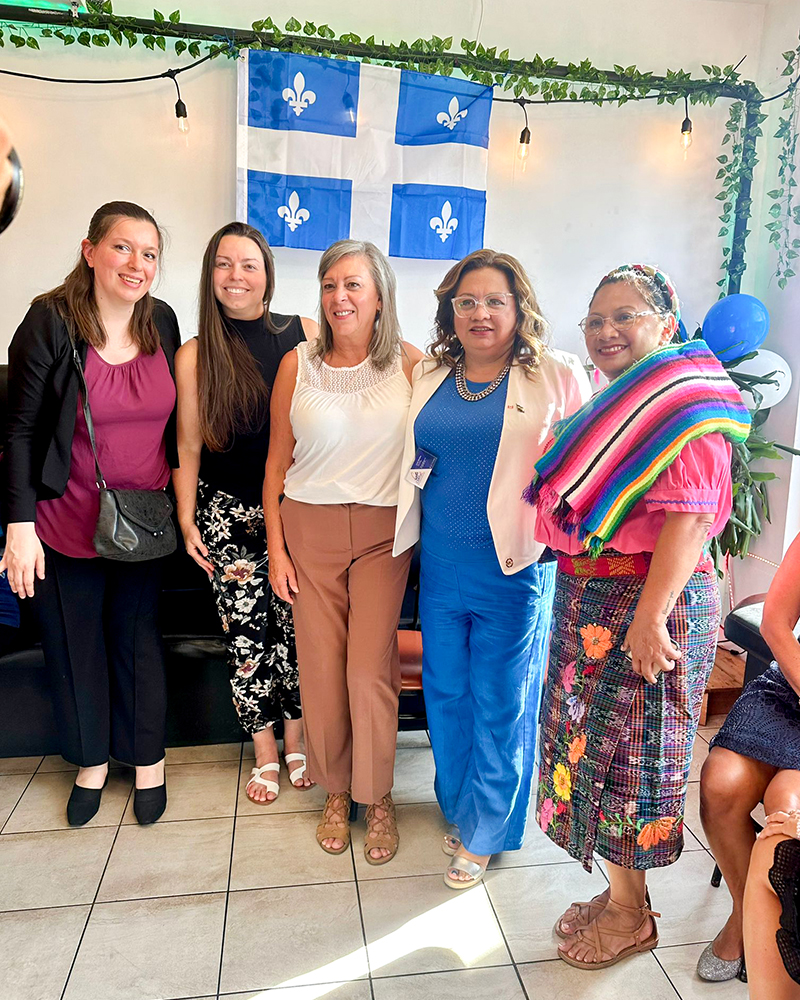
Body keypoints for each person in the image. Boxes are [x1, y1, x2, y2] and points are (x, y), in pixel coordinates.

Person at [526, 263, 751, 969]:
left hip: (647, 606)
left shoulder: (683, 405)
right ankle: (624, 894)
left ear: (667, 323)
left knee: (633, 758)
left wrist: (650, 619)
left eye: (625, 315)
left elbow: (691, 518)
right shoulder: (621, 403)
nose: (606, 330)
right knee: (585, 748)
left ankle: (632, 918)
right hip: (591, 605)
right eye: (595, 318)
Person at [393, 249, 590, 889]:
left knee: (502, 701)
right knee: (447, 692)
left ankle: (487, 831)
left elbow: (586, 467)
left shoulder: (554, 374)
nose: (481, 313)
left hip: (514, 568)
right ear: (450, 311)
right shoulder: (429, 374)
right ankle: (461, 805)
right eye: (467, 301)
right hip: (439, 563)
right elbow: (419, 457)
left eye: (495, 301)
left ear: (518, 308)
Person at [1, 201, 180, 826]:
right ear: (90, 251)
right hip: (65, 519)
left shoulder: (163, 321)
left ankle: (148, 759)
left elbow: (181, 423)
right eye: (122, 247)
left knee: (138, 640)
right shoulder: (50, 321)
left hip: (145, 519)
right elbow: (21, 430)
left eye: (149, 253)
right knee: (75, 646)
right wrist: (18, 528)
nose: (136, 264)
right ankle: (92, 763)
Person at [265, 239, 423, 863]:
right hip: (309, 527)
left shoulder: (411, 364)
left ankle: (376, 794)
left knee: (368, 669)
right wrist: (276, 548)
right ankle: (336, 789)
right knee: (322, 668)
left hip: (384, 533)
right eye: (330, 285)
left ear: (380, 295)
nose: (340, 297)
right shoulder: (297, 365)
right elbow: (277, 465)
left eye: (353, 284)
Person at [173, 222, 317, 803]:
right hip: (226, 514)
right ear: (210, 274)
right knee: (246, 638)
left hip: (295, 508)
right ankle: (264, 751)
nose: (236, 276)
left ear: (267, 274)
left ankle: (298, 739)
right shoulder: (194, 354)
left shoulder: (304, 333)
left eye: (248, 264)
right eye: (224, 264)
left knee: (297, 630)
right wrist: (187, 518)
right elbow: (188, 445)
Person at [699, 531, 800, 985]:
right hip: (790, 686)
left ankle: (775, 948)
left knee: (786, 809)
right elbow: (775, 623)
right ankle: (745, 911)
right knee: (721, 783)